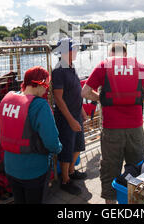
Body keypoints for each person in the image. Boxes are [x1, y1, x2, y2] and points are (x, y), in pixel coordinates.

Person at [81, 42, 144, 204]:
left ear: (110, 54)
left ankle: (110, 203)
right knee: (137, 166)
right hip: (135, 127)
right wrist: (140, 98)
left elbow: (85, 92)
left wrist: (102, 99)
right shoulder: (138, 66)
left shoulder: (104, 66)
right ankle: (135, 200)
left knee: (110, 168)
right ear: (125, 54)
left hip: (112, 128)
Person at [0, 66, 62, 204]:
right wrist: (58, 148)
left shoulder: (7, 100)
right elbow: (51, 141)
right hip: (34, 170)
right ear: (39, 84)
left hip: (11, 167)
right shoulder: (40, 106)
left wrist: (14, 138)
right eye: (46, 85)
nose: (46, 89)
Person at [52, 38, 88, 196]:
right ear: (65, 51)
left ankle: (72, 171)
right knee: (66, 149)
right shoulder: (59, 70)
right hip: (66, 117)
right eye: (74, 49)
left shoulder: (71, 67)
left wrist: (81, 111)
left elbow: (76, 90)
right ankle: (65, 180)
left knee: (79, 146)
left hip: (76, 113)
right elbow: (58, 98)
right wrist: (71, 119)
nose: (77, 51)